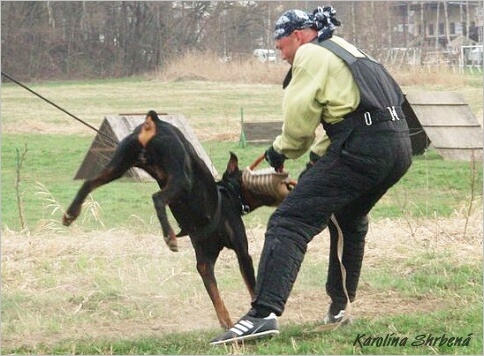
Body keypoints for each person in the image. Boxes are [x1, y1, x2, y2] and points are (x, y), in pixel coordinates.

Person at [210, 6, 412, 345]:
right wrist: (316, 162)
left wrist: (279, 151)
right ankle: (340, 308)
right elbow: (347, 116)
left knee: (288, 222)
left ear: (298, 36)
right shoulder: (346, 50)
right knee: (348, 216)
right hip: (398, 146)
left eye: (281, 47)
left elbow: (299, 128)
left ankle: (263, 315)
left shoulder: (310, 55)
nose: (282, 55)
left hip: (363, 147)